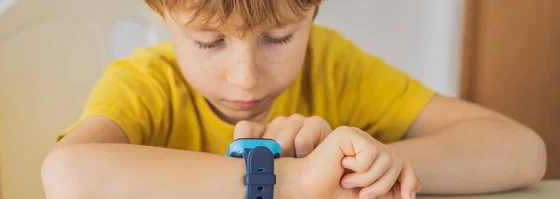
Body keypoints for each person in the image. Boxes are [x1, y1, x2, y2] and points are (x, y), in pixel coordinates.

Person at [41, 1, 547, 199]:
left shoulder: (334, 65)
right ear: (158, 13)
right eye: (210, 43)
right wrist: (296, 181)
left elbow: (522, 150)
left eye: (279, 38)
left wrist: (360, 169)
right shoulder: (145, 86)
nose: (245, 78)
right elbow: (68, 174)